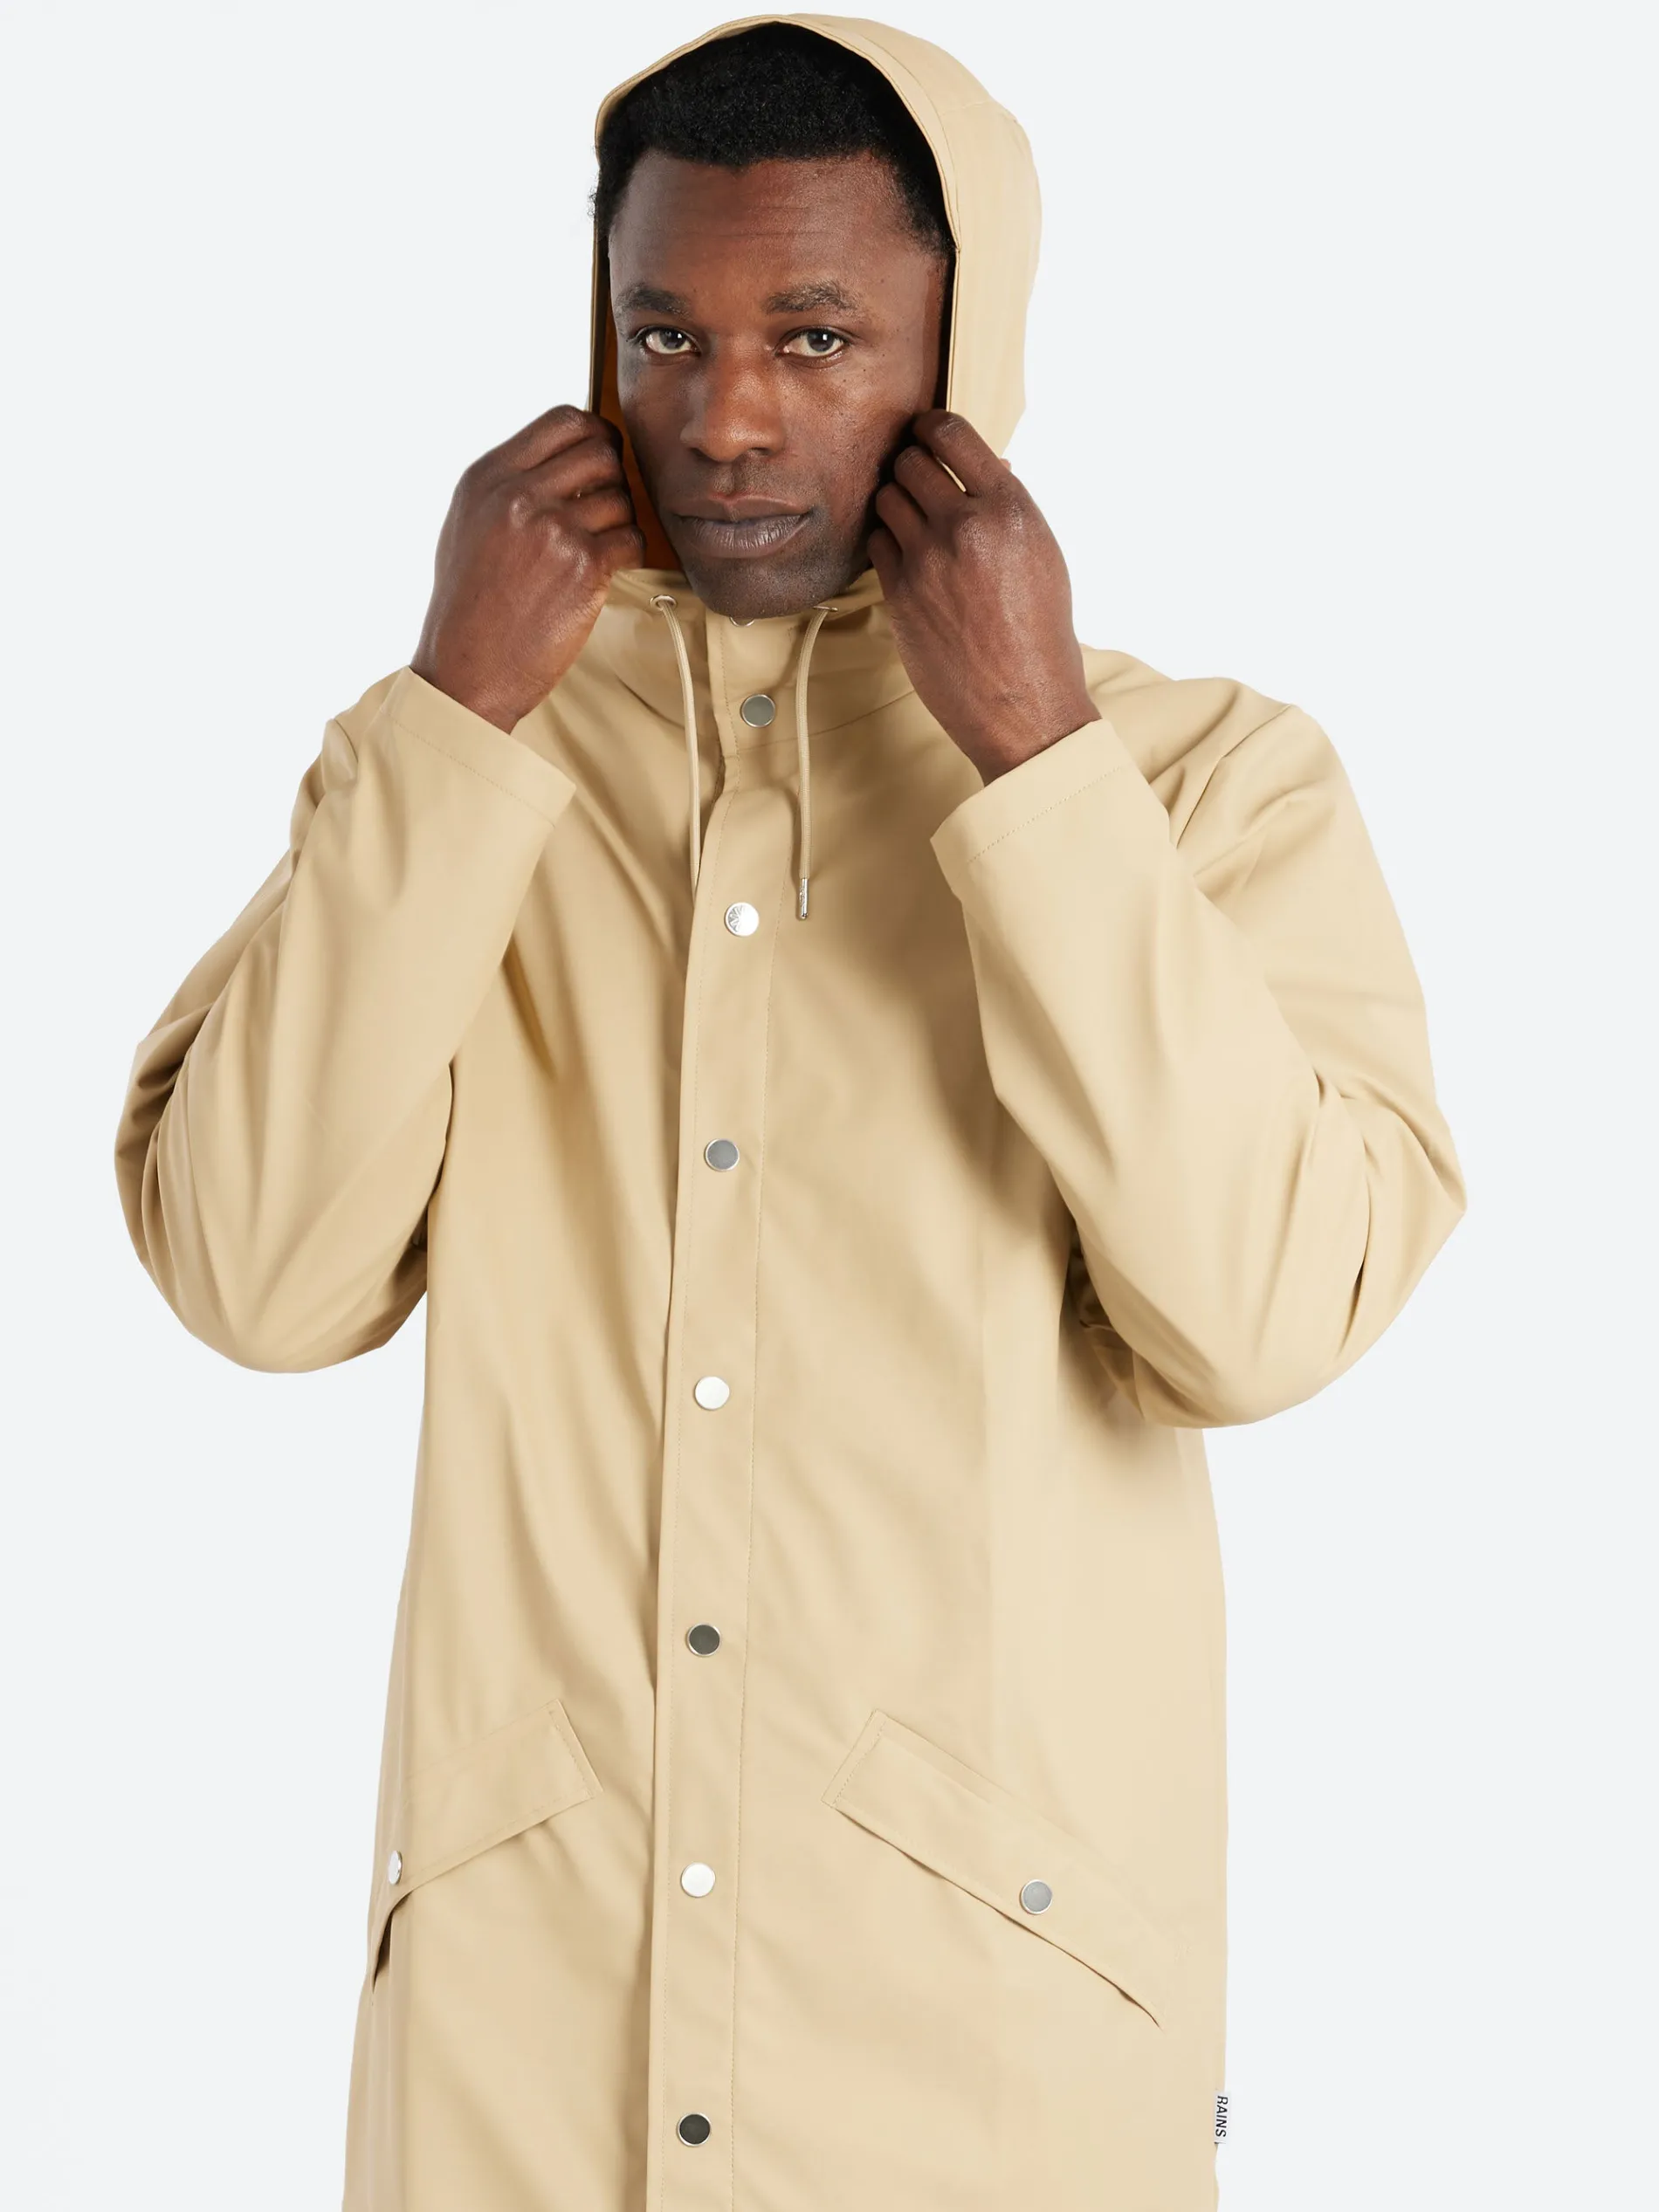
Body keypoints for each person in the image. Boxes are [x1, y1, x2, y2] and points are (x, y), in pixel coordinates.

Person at [113, 17, 1466, 2211]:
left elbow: (1258, 1315)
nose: (724, 416)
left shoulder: (1200, 783)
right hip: (520, 2048)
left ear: (963, 345)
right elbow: (254, 1278)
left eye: (814, 338)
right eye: (666, 334)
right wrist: (454, 714)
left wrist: (1035, 761)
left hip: (990, 2061)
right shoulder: (465, 763)